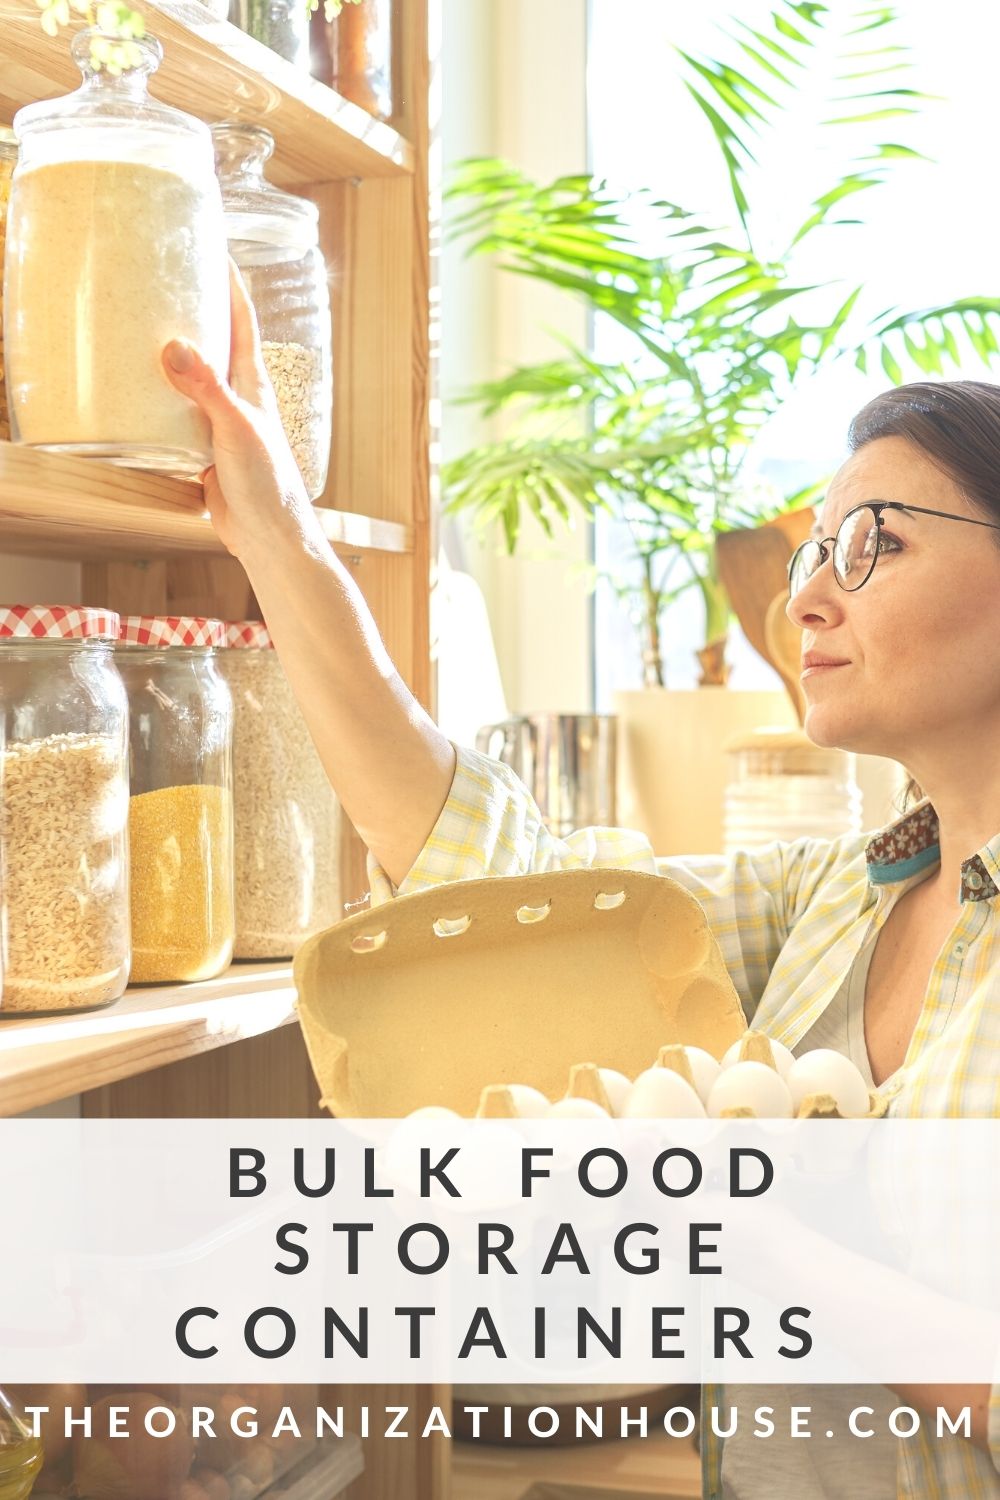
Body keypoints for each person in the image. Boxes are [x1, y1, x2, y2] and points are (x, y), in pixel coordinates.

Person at [162, 264, 1000, 1498]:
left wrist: (755, 1252)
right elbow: (503, 882)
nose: (808, 597)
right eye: (815, 549)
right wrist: (278, 534)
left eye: (874, 541)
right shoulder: (836, 901)